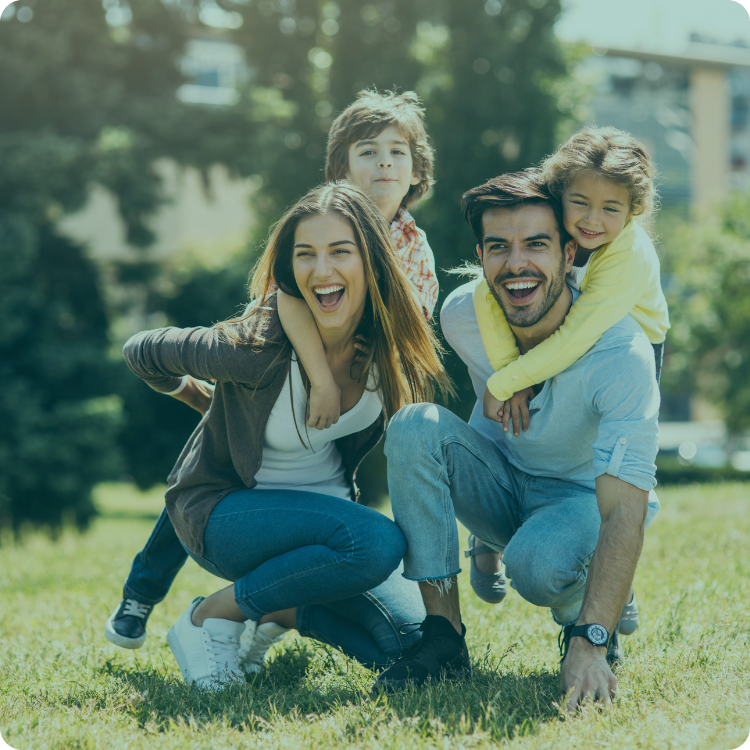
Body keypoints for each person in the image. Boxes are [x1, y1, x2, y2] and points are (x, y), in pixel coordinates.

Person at [104, 89, 440, 653]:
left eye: (398, 152)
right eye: (369, 152)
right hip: (259, 413)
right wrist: (316, 376)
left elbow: (413, 327)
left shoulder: (412, 248)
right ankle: (170, 601)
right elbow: (287, 296)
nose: (385, 162)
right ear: (339, 171)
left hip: (321, 481)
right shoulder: (311, 238)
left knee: (408, 642)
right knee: (213, 445)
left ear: (416, 170)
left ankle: (272, 615)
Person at [374, 171, 660, 714]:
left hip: (583, 501)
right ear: (480, 255)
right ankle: (442, 637)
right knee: (413, 424)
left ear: (570, 252)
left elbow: (625, 507)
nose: (516, 264)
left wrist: (590, 640)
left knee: (536, 564)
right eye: (499, 247)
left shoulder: (620, 352)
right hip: (505, 484)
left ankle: (590, 606)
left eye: (536, 244)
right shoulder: (462, 317)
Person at [468, 126, 669, 615]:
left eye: (611, 209)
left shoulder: (628, 257)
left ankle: (607, 571)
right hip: (559, 338)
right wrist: (509, 371)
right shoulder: (552, 226)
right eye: (579, 202)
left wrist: (506, 381)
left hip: (619, 347)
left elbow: (578, 336)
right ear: (560, 195)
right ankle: (484, 540)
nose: (591, 221)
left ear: (634, 211)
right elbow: (483, 292)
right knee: (492, 430)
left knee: (604, 464)